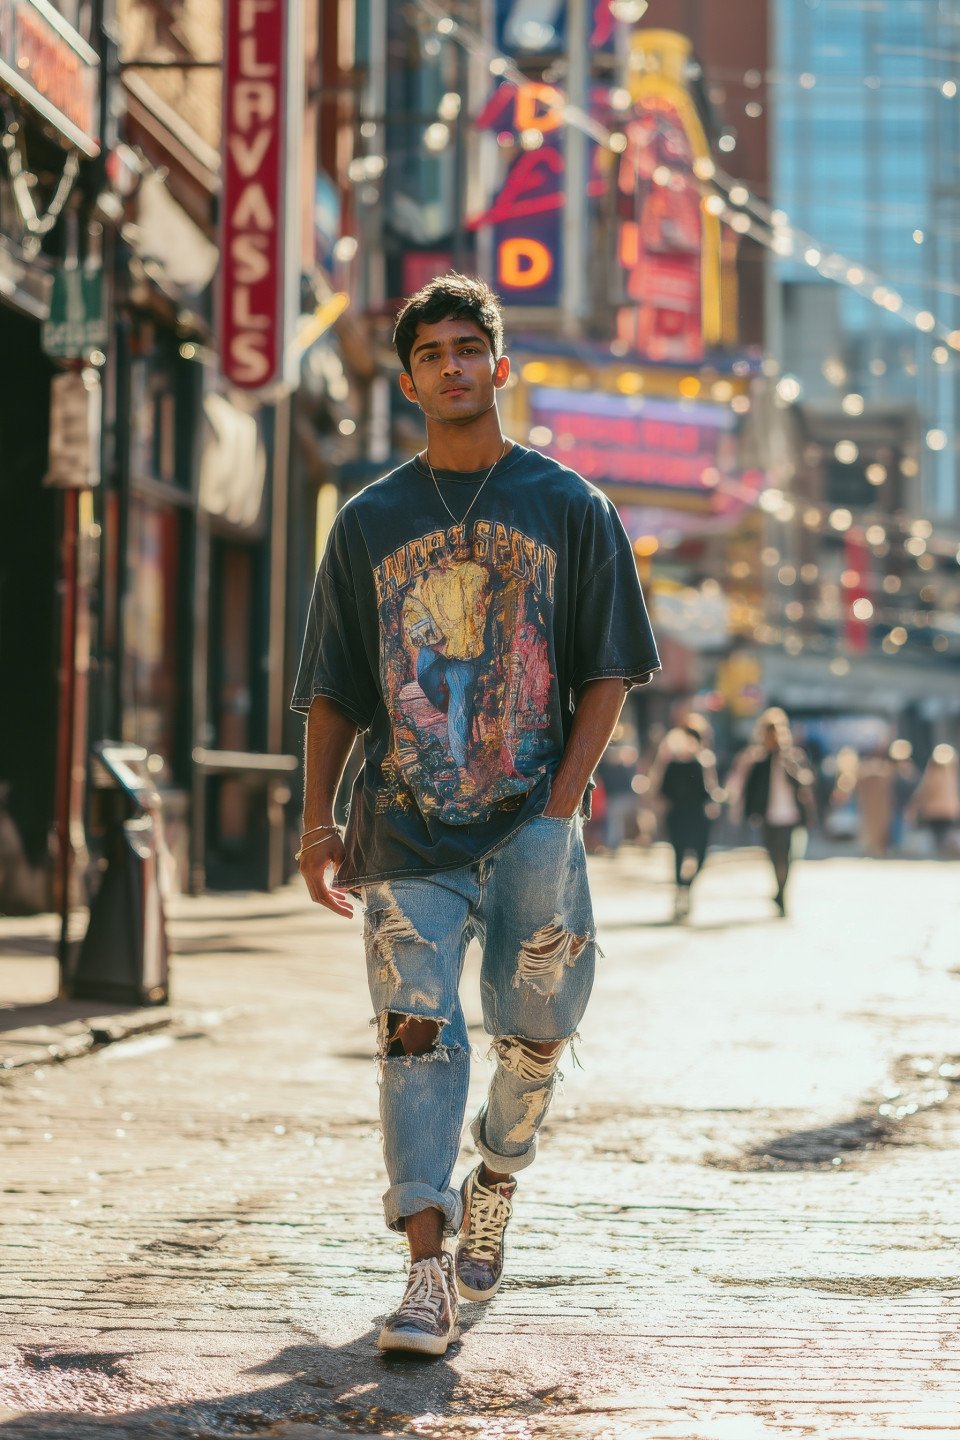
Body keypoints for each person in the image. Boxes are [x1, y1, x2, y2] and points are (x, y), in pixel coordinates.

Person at [291, 273, 659, 1356]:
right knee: (415, 1035)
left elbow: (609, 669)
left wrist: (560, 805)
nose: (453, 366)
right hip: (404, 828)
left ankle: (496, 1175)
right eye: (431, 354)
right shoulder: (369, 521)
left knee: (537, 1030)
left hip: (529, 824)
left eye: (468, 349)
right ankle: (425, 1269)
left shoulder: (568, 505)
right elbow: (334, 688)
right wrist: (318, 826)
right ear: (409, 380)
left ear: (499, 365)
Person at [742, 708, 815, 916]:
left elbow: (805, 783)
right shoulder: (759, 761)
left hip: (791, 816)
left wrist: (788, 766)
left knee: (789, 857)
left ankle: (782, 894)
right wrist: (750, 814)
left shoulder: (793, 757)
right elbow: (751, 790)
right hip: (769, 816)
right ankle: (779, 891)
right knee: (775, 856)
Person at [652, 718, 719, 920]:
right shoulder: (672, 763)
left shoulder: (704, 761)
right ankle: (680, 892)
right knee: (679, 855)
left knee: (701, 854)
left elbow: (708, 791)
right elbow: (662, 790)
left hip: (698, 816)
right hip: (678, 816)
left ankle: (686, 886)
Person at [908, 743, 960, 857]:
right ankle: (944, 853)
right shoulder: (951, 774)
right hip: (949, 811)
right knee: (944, 835)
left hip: (934, 811)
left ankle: (941, 853)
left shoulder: (933, 773)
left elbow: (924, 792)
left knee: (938, 836)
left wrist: (915, 806)